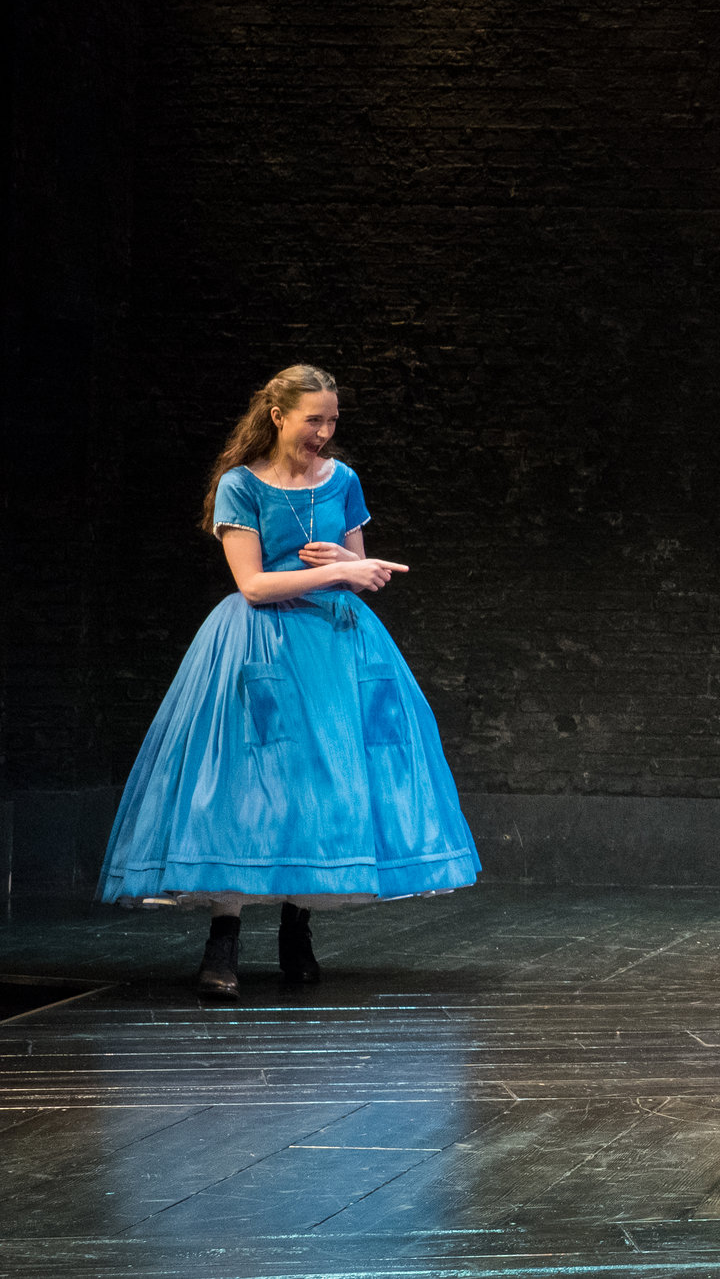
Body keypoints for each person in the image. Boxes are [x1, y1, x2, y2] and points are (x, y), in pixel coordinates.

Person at [96, 364, 480, 1000]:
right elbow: (253, 584)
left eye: (332, 420)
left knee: (326, 778)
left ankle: (297, 927)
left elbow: (359, 568)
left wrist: (349, 564)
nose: (324, 432)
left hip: (337, 647)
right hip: (261, 642)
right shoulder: (239, 486)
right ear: (277, 416)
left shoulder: (343, 480)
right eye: (313, 420)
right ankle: (224, 935)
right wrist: (339, 575)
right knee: (249, 782)